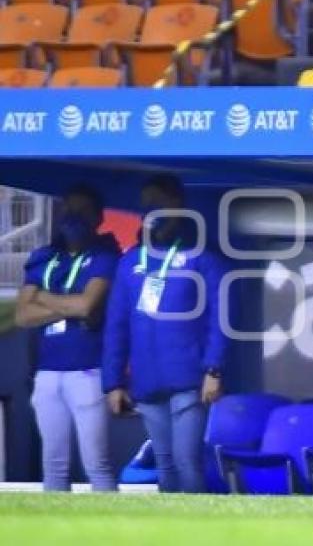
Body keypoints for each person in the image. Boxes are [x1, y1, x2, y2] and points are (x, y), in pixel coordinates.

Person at [102, 174, 227, 493]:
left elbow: (221, 317)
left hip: (189, 377)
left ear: (177, 205)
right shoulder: (130, 262)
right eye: (145, 204)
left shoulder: (202, 257)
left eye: (157, 202)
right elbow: (116, 324)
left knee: (187, 460)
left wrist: (214, 368)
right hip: (146, 379)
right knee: (164, 462)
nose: (149, 210)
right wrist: (113, 381)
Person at [15, 184, 119, 492]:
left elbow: (87, 305)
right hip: (47, 372)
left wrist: (44, 298)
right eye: (68, 208)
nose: (73, 216)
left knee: (96, 463)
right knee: (53, 464)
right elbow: (22, 315)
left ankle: (117, 533)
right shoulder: (44, 256)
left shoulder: (105, 254)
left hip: (87, 370)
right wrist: (68, 306)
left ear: (98, 217)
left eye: (82, 209)